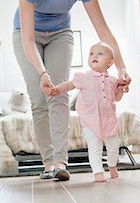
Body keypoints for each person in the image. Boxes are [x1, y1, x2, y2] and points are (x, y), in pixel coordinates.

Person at [13, 0, 131, 181]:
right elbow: (27, 39)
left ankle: (60, 162)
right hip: (27, 36)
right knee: (38, 97)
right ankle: (47, 163)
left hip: (60, 34)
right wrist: (42, 73)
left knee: (59, 93)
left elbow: (104, 32)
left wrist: (121, 68)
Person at [50, 41, 127, 182]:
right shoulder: (83, 77)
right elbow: (70, 85)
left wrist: (121, 89)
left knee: (114, 146)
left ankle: (112, 166)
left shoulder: (113, 80)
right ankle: (98, 172)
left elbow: (117, 98)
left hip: (109, 120)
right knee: (95, 147)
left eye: (100, 53)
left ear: (110, 63)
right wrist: (58, 89)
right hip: (90, 120)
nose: (94, 56)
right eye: (91, 53)